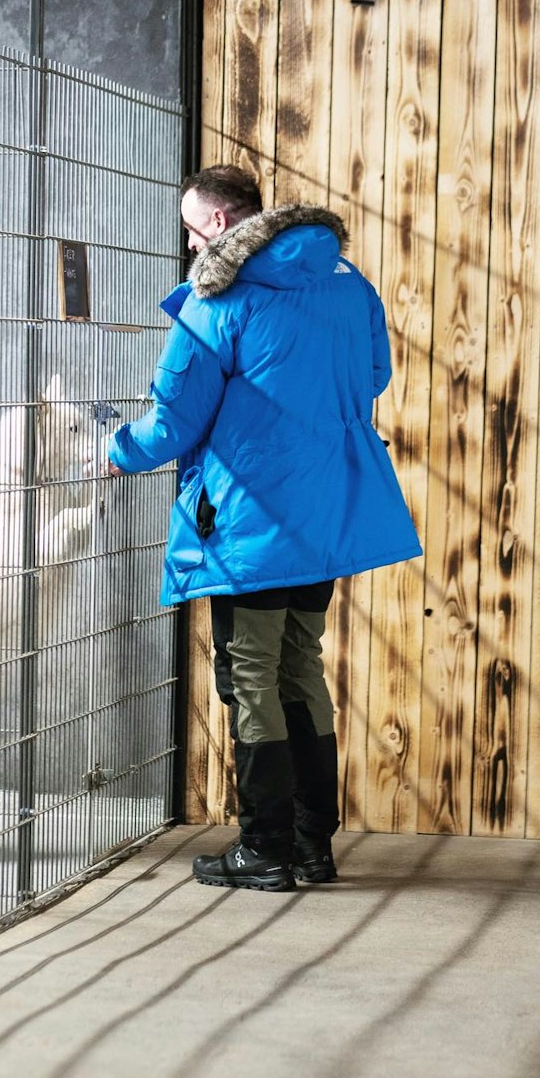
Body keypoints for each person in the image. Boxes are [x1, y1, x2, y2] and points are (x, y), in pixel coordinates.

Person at [105, 164, 421, 892]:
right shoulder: (349, 286)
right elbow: (373, 377)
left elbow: (173, 423)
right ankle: (314, 847)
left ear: (218, 224)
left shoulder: (217, 303)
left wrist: (116, 452)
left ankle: (265, 849)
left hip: (248, 522)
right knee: (300, 669)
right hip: (326, 517)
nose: (188, 245)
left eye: (190, 229)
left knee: (251, 679)